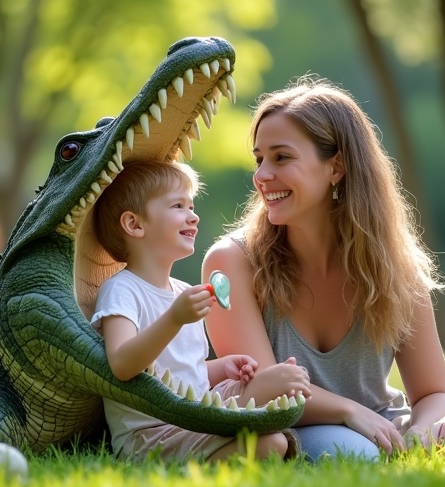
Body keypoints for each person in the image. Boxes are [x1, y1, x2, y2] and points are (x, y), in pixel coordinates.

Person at [202, 74, 445, 462]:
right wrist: (349, 411)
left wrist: (422, 430)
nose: (262, 176)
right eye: (259, 158)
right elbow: (266, 389)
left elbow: (436, 393)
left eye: (282, 157)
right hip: (299, 429)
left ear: (337, 167)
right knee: (356, 454)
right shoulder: (230, 262)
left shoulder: (396, 266)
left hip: (384, 426)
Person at [91, 159, 311, 463]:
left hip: (192, 414)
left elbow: (183, 373)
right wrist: (174, 319)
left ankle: (247, 420)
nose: (192, 217)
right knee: (271, 443)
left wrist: (222, 367)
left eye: (191, 206)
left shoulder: (183, 291)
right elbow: (122, 364)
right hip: (153, 432)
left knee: (277, 380)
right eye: (178, 206)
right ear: (135, 224)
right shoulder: (121, 290)